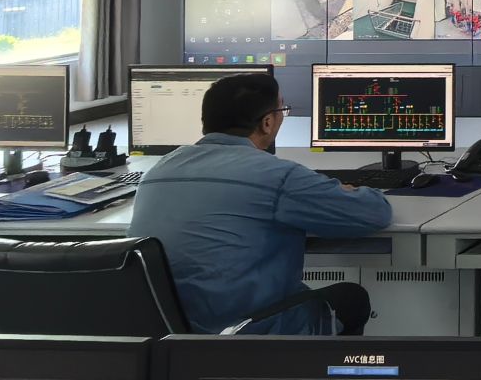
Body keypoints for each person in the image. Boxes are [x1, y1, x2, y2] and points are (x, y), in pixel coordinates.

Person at [130, 71, 391, 334]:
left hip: (171, 336)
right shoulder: (278, 176)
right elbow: (376, 213)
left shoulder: (157, 171)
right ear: (267, 123)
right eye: (282, 111)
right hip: (246, 332)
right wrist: (343, 191)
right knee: (352, 298)